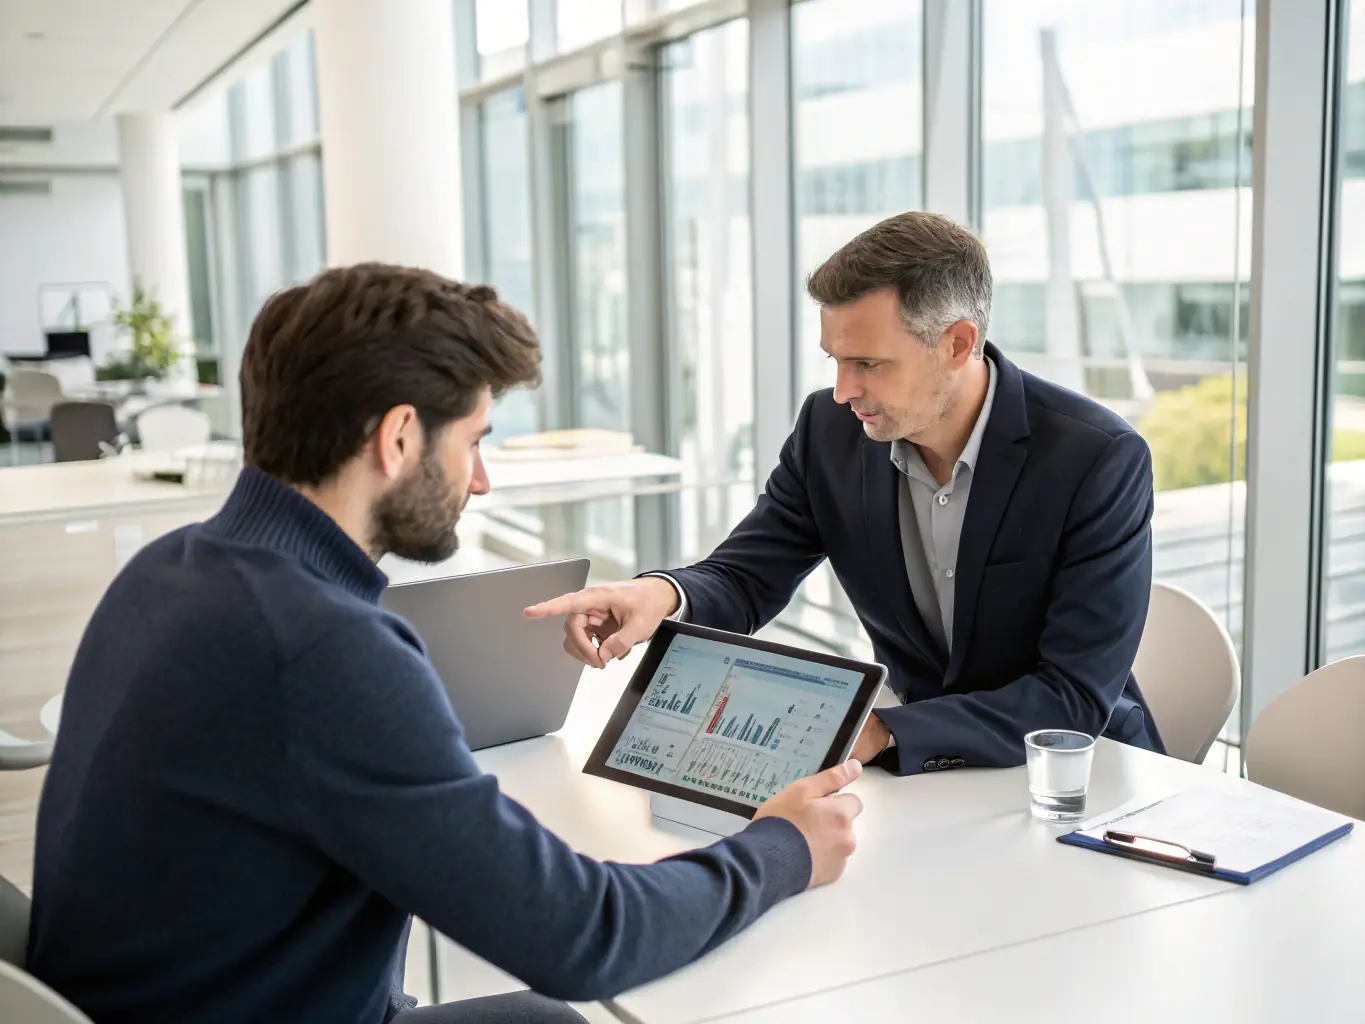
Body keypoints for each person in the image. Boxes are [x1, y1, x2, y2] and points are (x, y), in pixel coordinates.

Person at [26, 264, 864, 1024]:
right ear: (397, 438)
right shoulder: (319, 647)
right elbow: (582, 937)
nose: (481, 480)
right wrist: (782, 847)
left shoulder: (170, 569)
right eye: (473, 442)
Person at [529, 211, 1165, 775]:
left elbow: (1071, 696)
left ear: (957, 344)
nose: (842, 390)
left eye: (868, 364)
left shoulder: (1096, 459)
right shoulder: (829, 431)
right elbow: (747, 577)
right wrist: (660, 595)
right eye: (835, 359)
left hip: (1077, 775)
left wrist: (884, 730)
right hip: (921, 775)